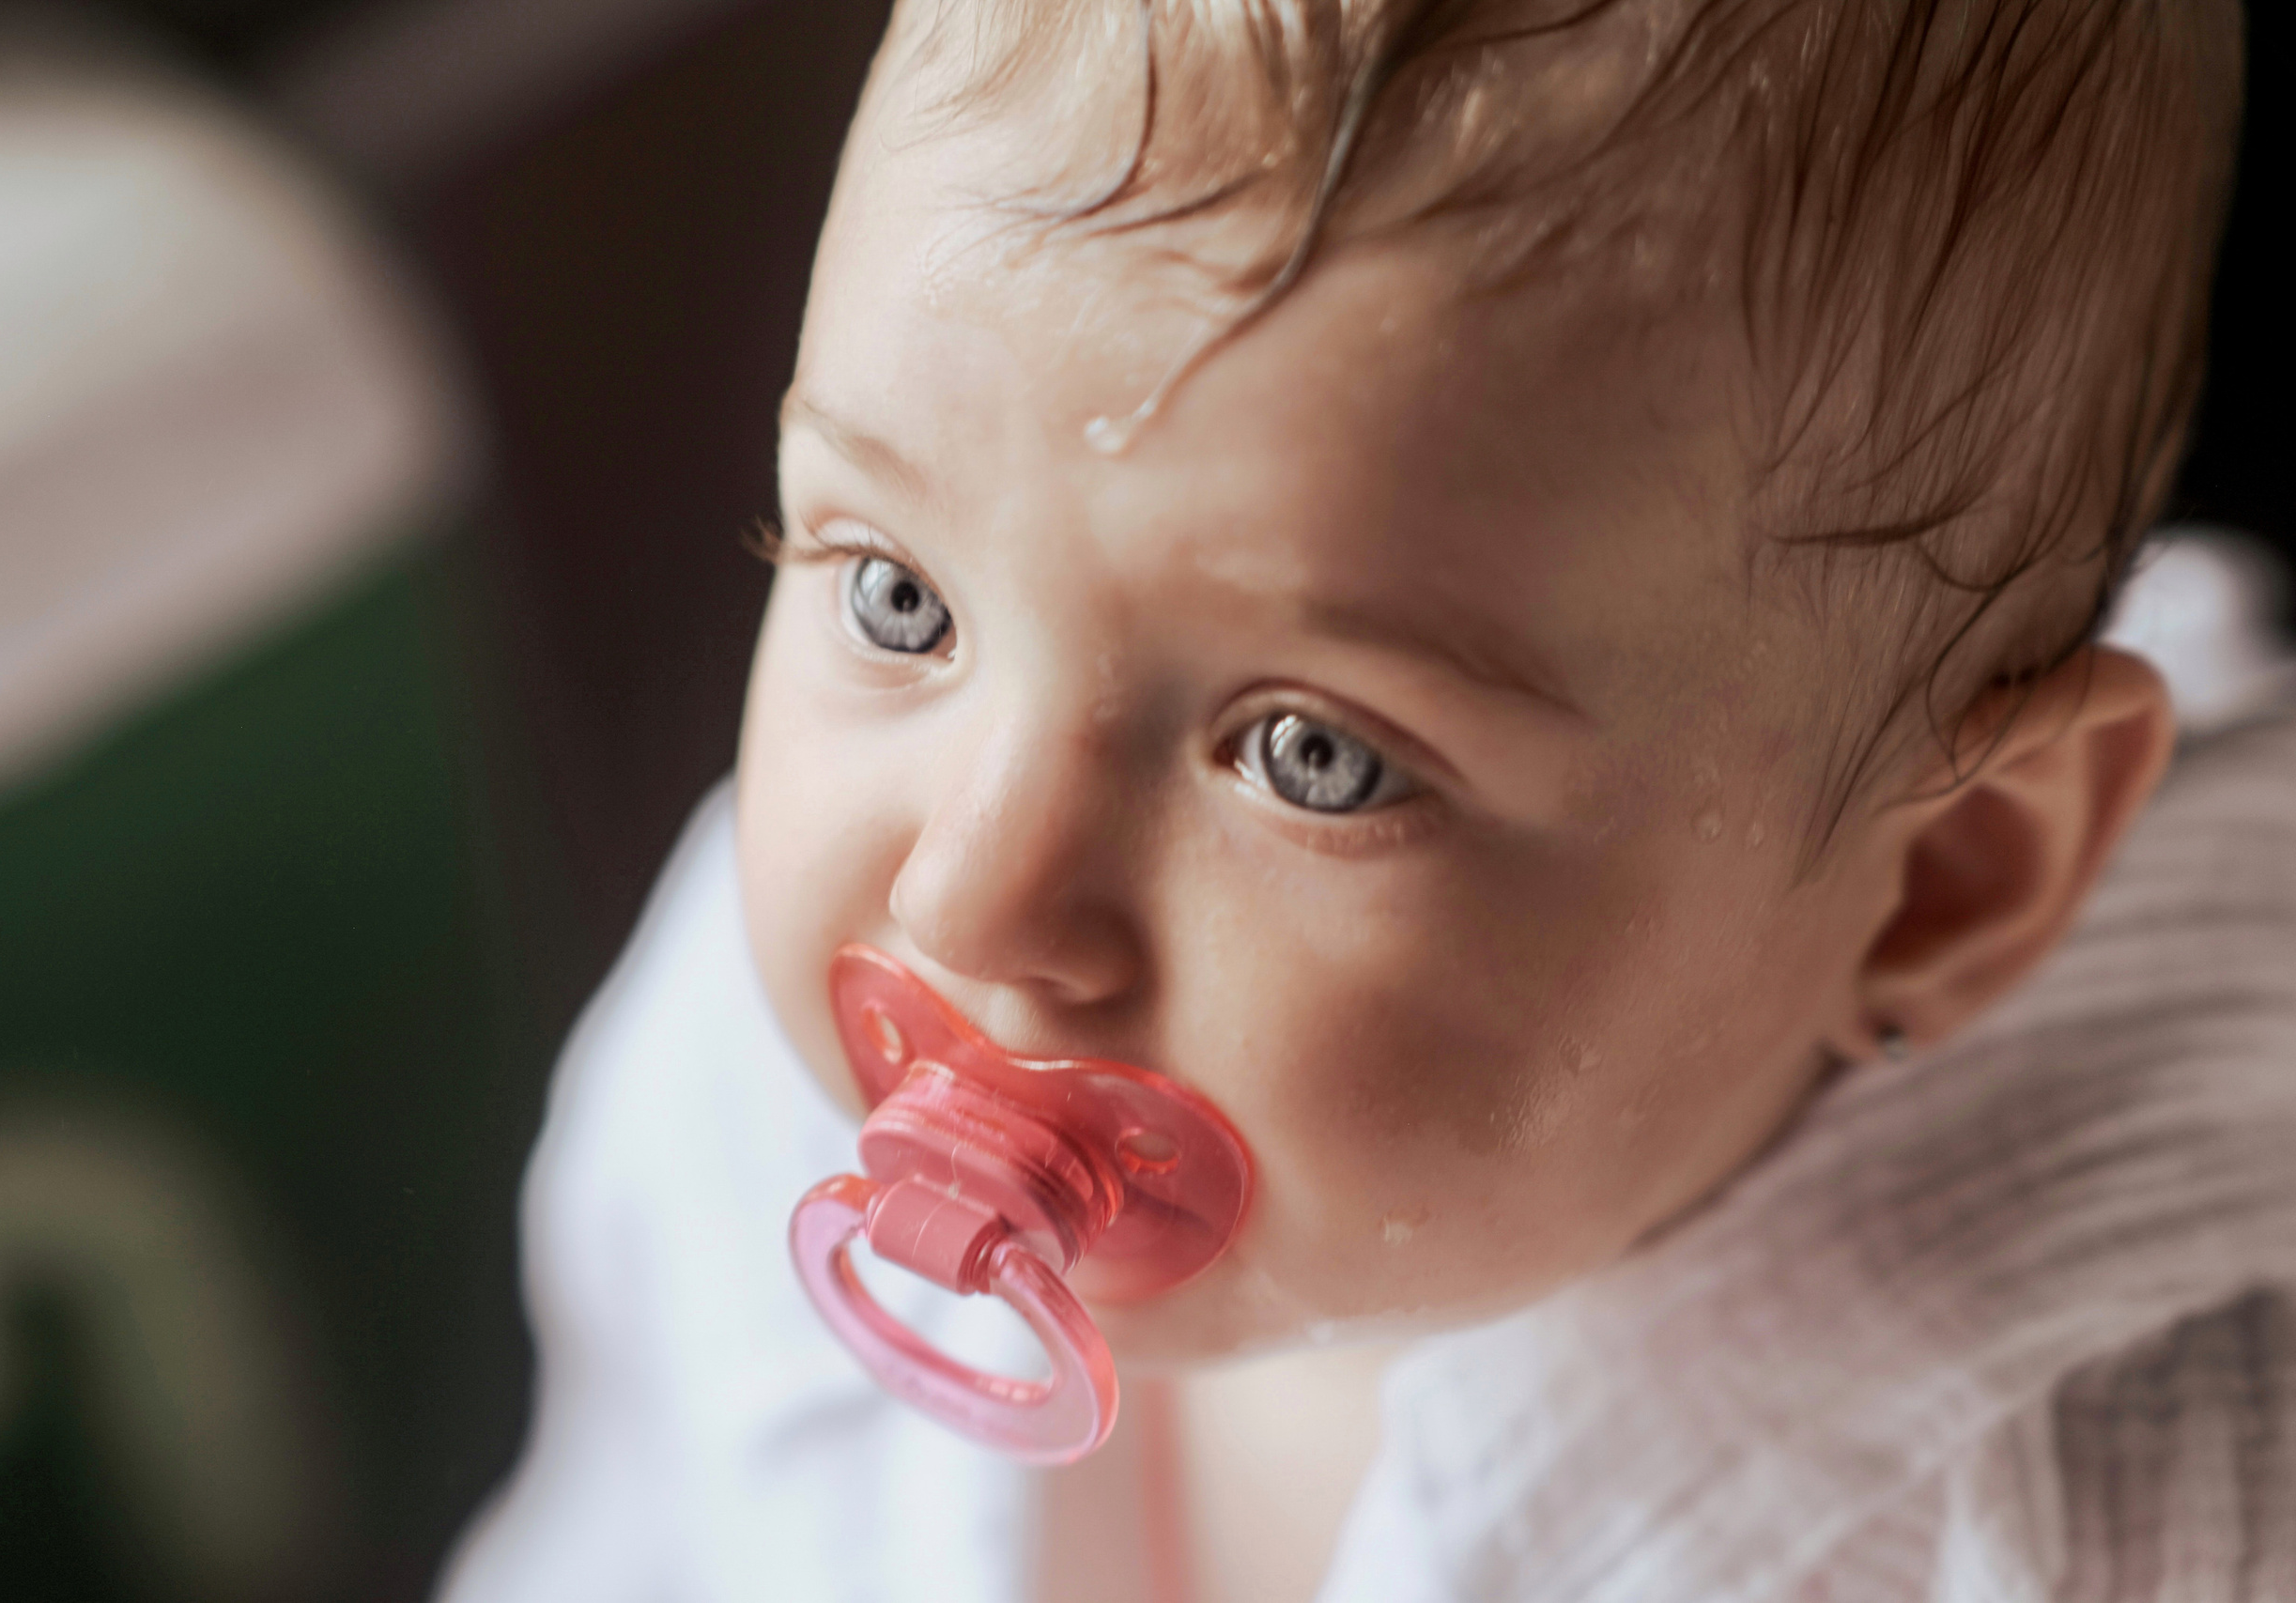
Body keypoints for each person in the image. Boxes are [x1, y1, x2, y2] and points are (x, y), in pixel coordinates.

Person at [439, 2, 2294, 1598]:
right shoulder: (744, 1093)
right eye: (895, 595)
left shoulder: (2114, 1519)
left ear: (1937, 881)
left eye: (1313, 756)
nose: (970, 898)